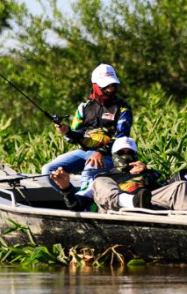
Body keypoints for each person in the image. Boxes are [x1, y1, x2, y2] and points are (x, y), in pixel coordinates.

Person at [41, 64, 133, 201]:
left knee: (89, 171)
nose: (110, 89)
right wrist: (67, 132)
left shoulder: (122, 108)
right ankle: (75, 200)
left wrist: (100, 152)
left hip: (110, 155)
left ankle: (85, 208)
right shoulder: (84, 107)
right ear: (95, 86)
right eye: (106, 86)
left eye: (113, 85)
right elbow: (74, 136)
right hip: (84, 152)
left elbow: (122, 138)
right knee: (48, 170)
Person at [82, 137, 187, 212]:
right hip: (119, 210)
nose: (126, 156)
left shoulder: (148, 173)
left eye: (130, 152)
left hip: (149, 203)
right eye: (121, 152)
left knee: (181, 185)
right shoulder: (106, 176)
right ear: (114, 155)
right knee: (99, 181)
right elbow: (81, 199)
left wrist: (147, 173)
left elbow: (165, 188)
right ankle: (132, 201)